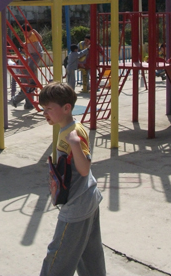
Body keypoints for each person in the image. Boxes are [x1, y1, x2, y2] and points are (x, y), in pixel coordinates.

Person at [39, 82, 105, 276]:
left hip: (78, 204)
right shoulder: (67, 128)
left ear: (67, 108)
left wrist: (75, 144)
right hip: (87, 199)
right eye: (43, 109)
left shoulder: (73, 133)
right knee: (89, 255)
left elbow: (84, 169)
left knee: (58, 257)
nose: (45, 113)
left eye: (49, 109)